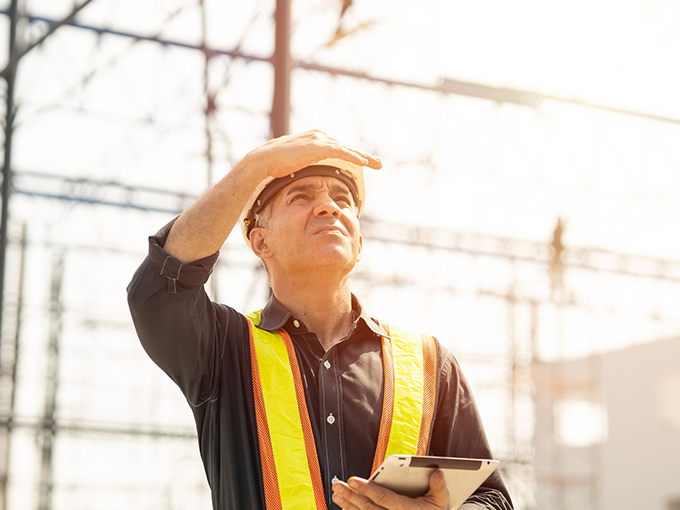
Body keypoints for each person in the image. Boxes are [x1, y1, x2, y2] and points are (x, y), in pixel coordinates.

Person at [127, 130, 513, 510]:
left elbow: (491, 499)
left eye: (342, 198)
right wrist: (254, 167)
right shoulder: (224, 349)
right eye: (301, 196)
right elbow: (160, 289)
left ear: (358, 245)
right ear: (261, 242)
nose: (329, 207)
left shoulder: (429, 365)